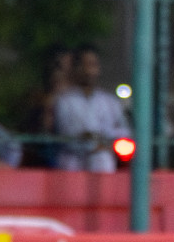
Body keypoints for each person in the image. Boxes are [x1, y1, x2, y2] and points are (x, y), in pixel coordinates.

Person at [52, 44, 130, 173]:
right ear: (76, 68)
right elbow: (67, 134)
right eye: (85, 65)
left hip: (104, 167)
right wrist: (92, 141)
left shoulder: (110, 101)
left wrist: (103, 140)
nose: (89, 71)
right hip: (72, 168)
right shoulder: (64, 100)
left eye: (93, 65)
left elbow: (123, 132)